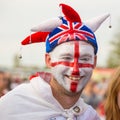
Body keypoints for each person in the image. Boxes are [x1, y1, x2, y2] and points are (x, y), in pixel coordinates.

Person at [0, 3, 110, 120]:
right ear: (48, 60)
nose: (75, 69)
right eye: (66, 58)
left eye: (85, 59)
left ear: (94, 62)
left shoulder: (90, 116)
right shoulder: (14, 105)